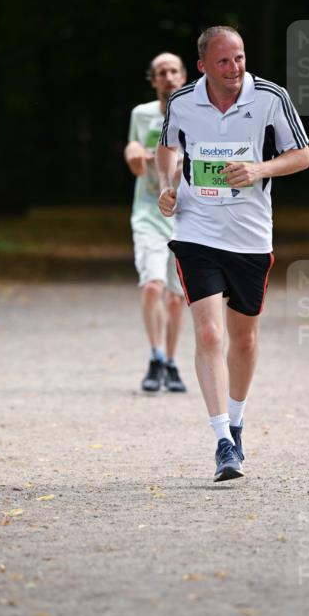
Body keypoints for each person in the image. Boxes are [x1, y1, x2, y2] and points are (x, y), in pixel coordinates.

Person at [155, 26, 309, 481]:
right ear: (203, 65)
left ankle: (238, 420)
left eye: (240, 58)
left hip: (249, 237)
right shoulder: (183, 101)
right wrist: (168, 188)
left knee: (242, 340)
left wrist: (259, 168)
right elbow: (166, 148)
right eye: (224, 61)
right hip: (196, 230)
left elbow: (302, 155)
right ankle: (223, 440)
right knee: (208, 335)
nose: (235, 68)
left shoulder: (270, 97)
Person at [124, 53, 188, 393]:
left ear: (184, 75)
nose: (168, 77)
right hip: (148, 211)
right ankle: (155, 355)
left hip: (185, 214)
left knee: (177, 298)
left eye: (174, 71)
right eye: (161, 73)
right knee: (152, 285)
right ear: (154, 80)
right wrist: (136, 155)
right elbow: (134, 152)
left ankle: (173, 362)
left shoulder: (197, 113)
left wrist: (169, 166)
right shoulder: (141, 114)